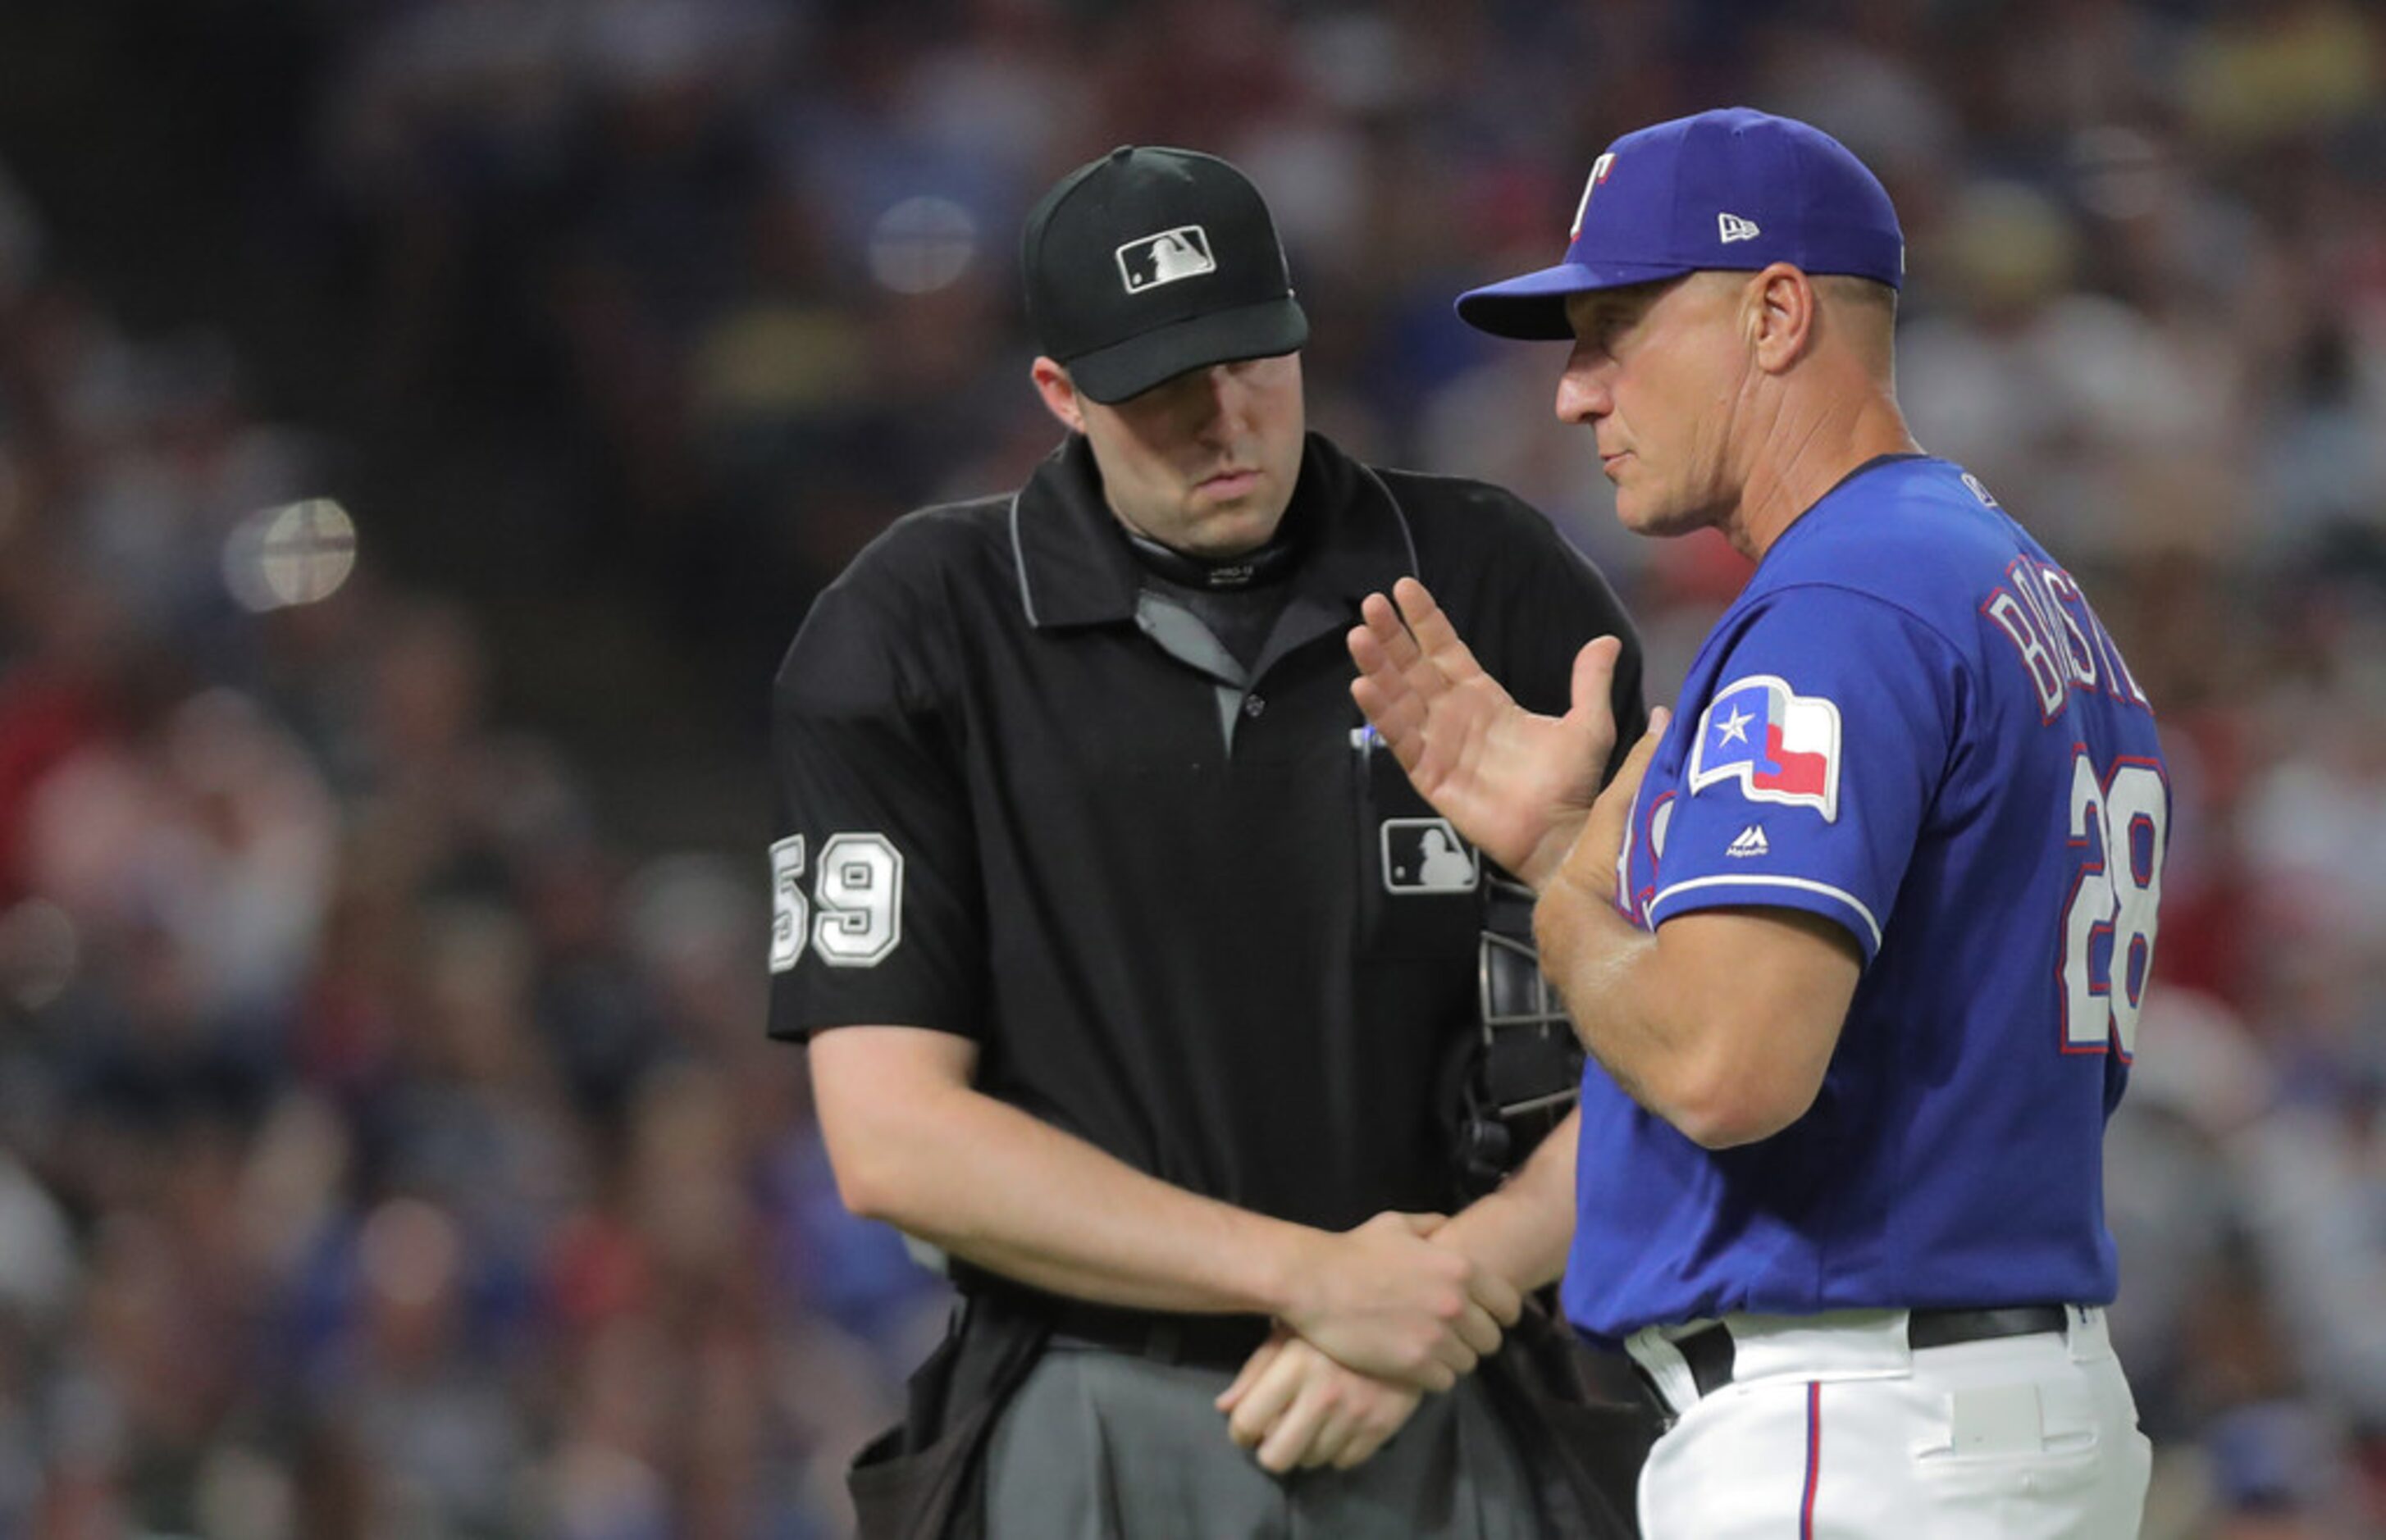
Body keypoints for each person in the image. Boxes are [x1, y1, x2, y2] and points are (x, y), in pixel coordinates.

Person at [769, 145, 1651, 1538]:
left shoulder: (1490, 578)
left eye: (1250, 356)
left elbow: (1683, 1032)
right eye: (1161, 383)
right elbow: (891, 1137)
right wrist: (1313, 1280)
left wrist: (1450, 1283)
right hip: (1091, 1406)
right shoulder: (917, 629)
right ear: (1059, 393)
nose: (1222, 417)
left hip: (1464, 1370)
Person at [1346, 107, 2163, 1538]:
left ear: (1775, 311)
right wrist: (1560, 848)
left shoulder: (1834, 606)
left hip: (1846, 1426)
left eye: (1612, 329)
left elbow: (1730, 1067)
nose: (1573, 393)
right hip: (1993, 1405)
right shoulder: (2000, 576)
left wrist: (1559, 903)